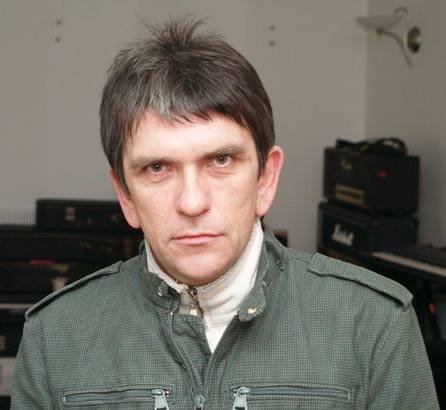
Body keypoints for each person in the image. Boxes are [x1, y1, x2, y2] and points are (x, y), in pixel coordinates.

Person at [12, 19, 438, 409]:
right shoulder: (54, 337)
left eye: (221, 160)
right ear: (125, 195)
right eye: (157, 168)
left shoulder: (375, 325)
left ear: (265, 178)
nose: (192, 202)